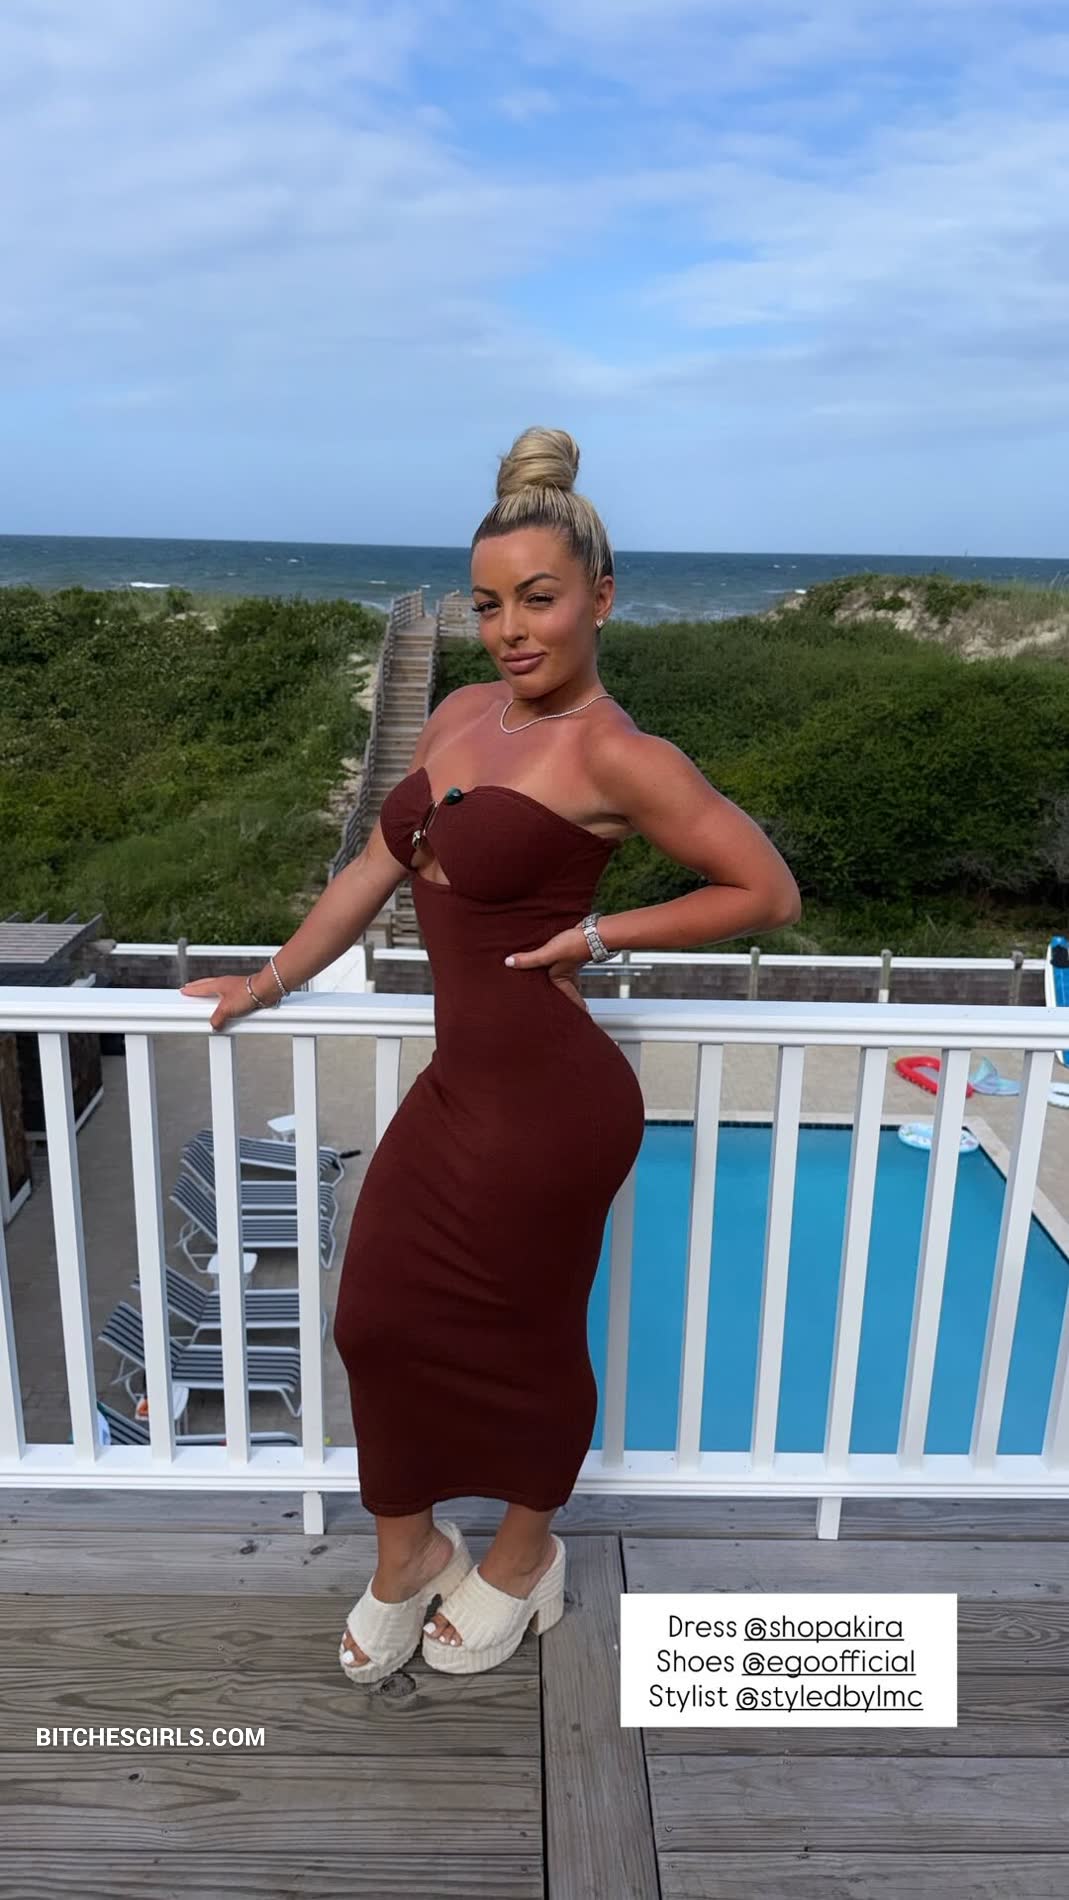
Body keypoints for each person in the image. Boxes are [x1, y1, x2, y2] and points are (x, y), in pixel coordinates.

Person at [179, 424, 801, 1684]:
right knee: (372, 1317)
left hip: (551, 1104)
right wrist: (269, 977)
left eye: (538, 599)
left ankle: (523, 1556)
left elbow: (764, 888)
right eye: (487, 603)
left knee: (527, 1336)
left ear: (600, 599)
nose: (510, 629)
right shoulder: (462, 712)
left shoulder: (618, 753)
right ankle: (408, 1550)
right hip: (461, 1083)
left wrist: (597, 932)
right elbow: (372, 867)